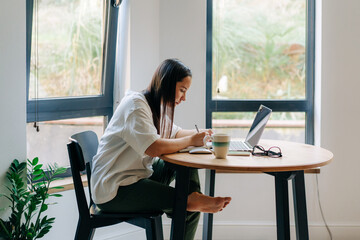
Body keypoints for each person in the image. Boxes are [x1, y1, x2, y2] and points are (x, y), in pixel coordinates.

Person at [90, 58, 231, 240]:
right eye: (182, 90)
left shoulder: (154, 106)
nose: (184, 98)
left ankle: (192, 198)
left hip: (136, 177)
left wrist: (201, 135)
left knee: (188, 160)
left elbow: (176, 133)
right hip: (114, 189)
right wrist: (191, 140)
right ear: (166, 82)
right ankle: (190, 200)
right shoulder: (136, 106)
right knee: (187, 204)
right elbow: (154, 148)